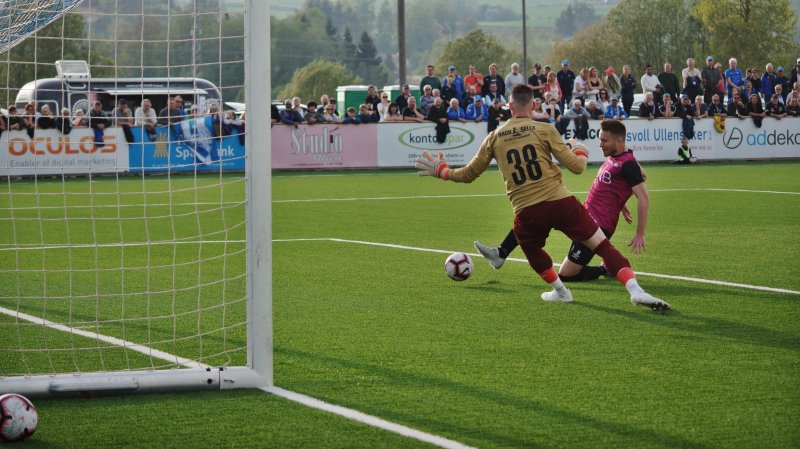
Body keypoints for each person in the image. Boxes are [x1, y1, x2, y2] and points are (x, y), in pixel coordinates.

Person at [416, 86, 669, 310]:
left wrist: (443, 171)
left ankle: (561, 292)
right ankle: (636, 291)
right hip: (562, 203)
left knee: (532, 250)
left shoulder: (494, 137)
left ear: (510, 106)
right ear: (534, 105)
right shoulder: (544, 129)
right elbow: (578, 167)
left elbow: (469, 174)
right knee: (602, 246)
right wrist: (579, 151)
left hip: (527, 210)